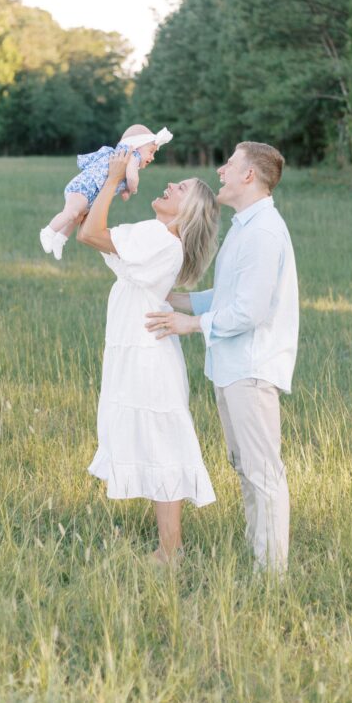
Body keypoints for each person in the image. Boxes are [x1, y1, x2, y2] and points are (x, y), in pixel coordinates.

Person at [146, 142, 299, 573]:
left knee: (262, 472)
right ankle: (261, 559)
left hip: (251, 369)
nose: (221, 171)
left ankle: (272, 575)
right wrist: (171, 298)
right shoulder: (244, 226)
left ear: (249, 175)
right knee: (246, 468)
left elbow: (249, 311)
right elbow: (226, 296)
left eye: (229, 165)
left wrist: (189, 325)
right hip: (231, 368)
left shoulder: (265, 232)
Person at [78, 149, 220, 564]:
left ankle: (171, 550)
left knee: (163, 447)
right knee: (158, 445)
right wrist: (108, 184)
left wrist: (110, 181)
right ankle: (168, 546)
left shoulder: (161, 239)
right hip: (138, 351)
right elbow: (94, 230)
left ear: (187, 211)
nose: (171, 184)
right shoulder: (156, 237)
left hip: (146, 357)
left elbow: (89, 235)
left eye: (182, 188)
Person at [39, 124, 172, 260]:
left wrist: (125, 191)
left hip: (89, 195)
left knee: (77, 216)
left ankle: (60, 239)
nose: (153, 157)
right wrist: (133, 187)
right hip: (83, 187)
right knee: (72, 212)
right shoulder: (133, 155)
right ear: (137, 145)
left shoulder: (122, 160)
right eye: (151, 151)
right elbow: (132, 178)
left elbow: (123, 188)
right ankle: (48, 231)